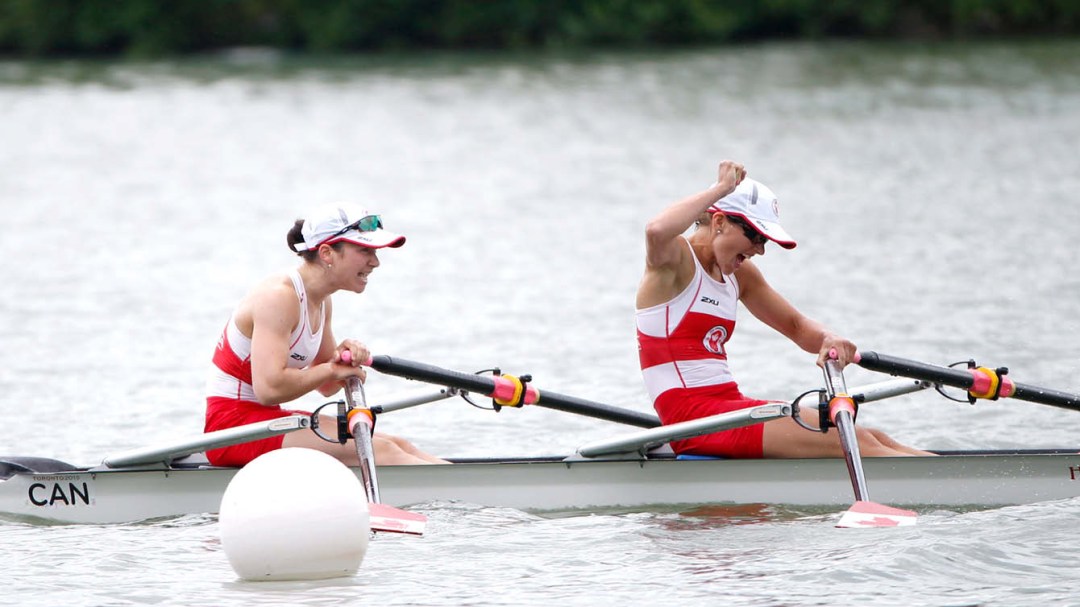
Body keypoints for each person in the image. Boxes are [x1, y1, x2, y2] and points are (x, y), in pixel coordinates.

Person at [636, 161, 931, 458]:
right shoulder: (674, 264)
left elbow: (796, 326)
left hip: (725, 406)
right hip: (692, 420)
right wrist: (722, 189)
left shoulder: (740, 275)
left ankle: (951, 483)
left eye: (764, 240)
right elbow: (656, 230)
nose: (760, 249)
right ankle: (936, 492)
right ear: (720, 222)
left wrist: (829, 338)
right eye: (755, 236)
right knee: (847, 439)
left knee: (871, 437)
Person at [205, 204, 447, 467]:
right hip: (231, 429)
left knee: (399, 445)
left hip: (263, 419)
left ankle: (460, 488)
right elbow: (269, 389)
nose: (375, 262)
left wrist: (343, 361)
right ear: (327, 252)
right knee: (384, 452)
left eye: (375, 252)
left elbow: (326, 386)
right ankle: (456, 500)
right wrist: (333, 370)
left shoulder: (321, 300)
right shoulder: (278, 296)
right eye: (365, 250)